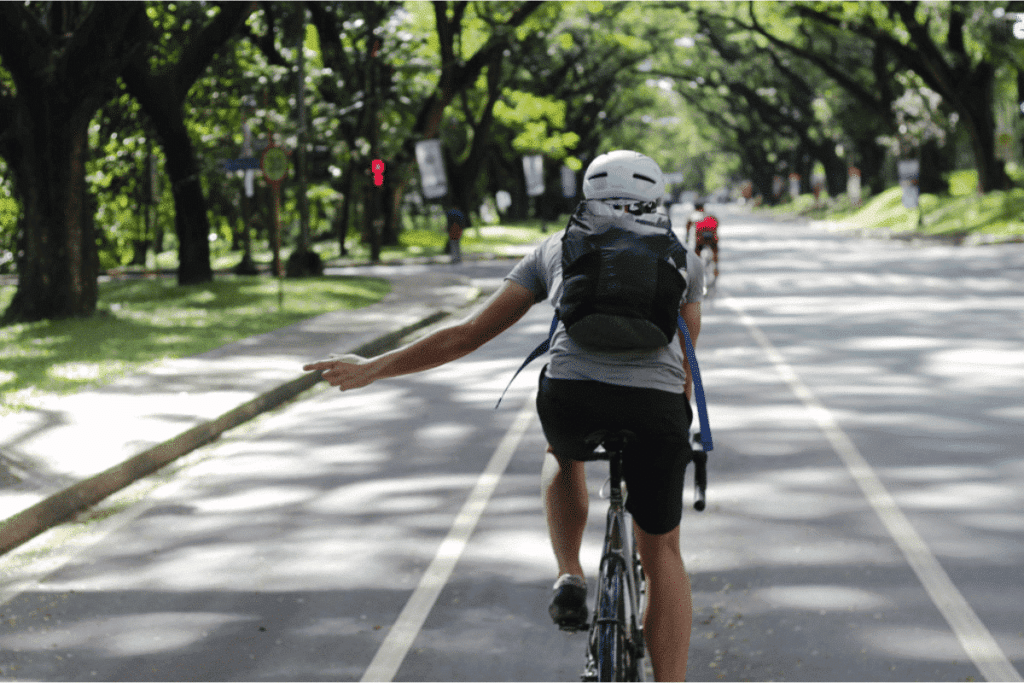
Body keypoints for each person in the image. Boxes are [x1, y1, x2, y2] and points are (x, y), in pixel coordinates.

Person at [304, 150, 704, 682]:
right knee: (663, 554)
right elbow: (685, 361)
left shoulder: (556, 250)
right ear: (658, 199)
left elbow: (467, 335)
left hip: (571, 398)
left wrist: (374, 367)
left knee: (562, 452)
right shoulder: (684, 260)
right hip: (654, 410)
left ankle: (569, 573)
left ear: (587, 195)